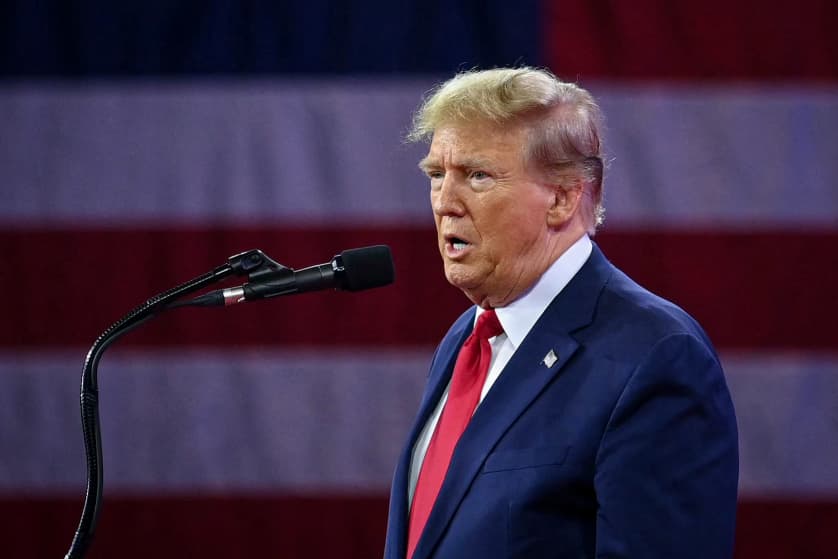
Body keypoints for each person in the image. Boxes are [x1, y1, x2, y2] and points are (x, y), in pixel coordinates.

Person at [384, 67, 738, 559]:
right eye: (437, 175)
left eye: (477, 175)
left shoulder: (655, 356)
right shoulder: (467, 339)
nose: (445, 203)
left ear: (563, 197)